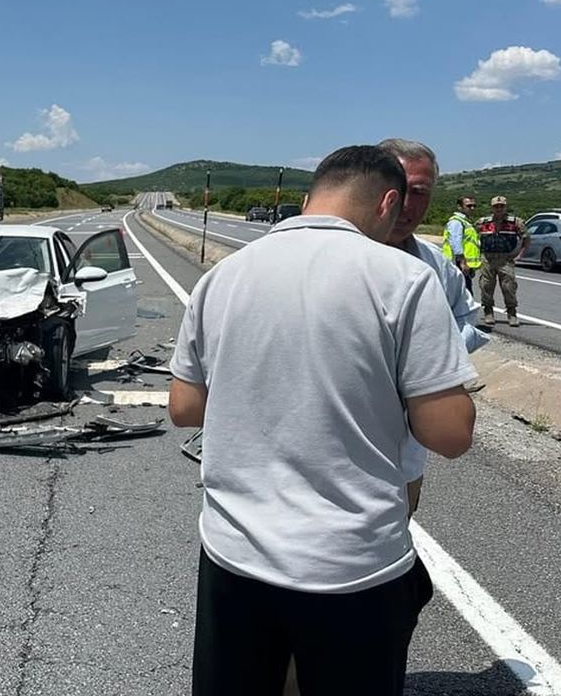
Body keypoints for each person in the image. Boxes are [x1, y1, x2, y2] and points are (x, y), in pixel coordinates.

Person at [170, 145, 477, 696]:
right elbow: (450, 435)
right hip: (352, 566)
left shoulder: (224, 275)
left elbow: (184, 409)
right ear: (387, 202)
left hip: (234, 553)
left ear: (312, 195)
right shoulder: (405, 279)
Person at [378, 138, 489, 514]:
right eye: (397, 187)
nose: (405, 203)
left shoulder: (436, 268)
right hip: (323, 458)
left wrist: (430, 356)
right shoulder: (328, 257)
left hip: (404, 460)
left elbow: (467, 318)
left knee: (395, 535)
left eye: (419, 192)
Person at [476, 196, 530, 327]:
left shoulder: (515, 222)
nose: (499, 209)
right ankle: (488, 311)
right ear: (492, 208)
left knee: (509, 286)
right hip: (487, 258)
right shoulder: (483, 222)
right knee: (486, 286)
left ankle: (512, 312)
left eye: (501, 206)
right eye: (496, 206)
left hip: (506, 259)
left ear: (505, 207)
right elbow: (471, 237)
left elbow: (526, 238)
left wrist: (520, 255)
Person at [443, 196, 482, 294]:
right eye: (469, 206)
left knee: (464, 293)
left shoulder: (466, 222)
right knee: (463, 294)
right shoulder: (456, 222)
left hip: (464, 263)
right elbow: (455, 241)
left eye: (474, 206)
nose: (472, 208)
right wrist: (462, 262)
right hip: (458, 263)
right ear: (459, 207)